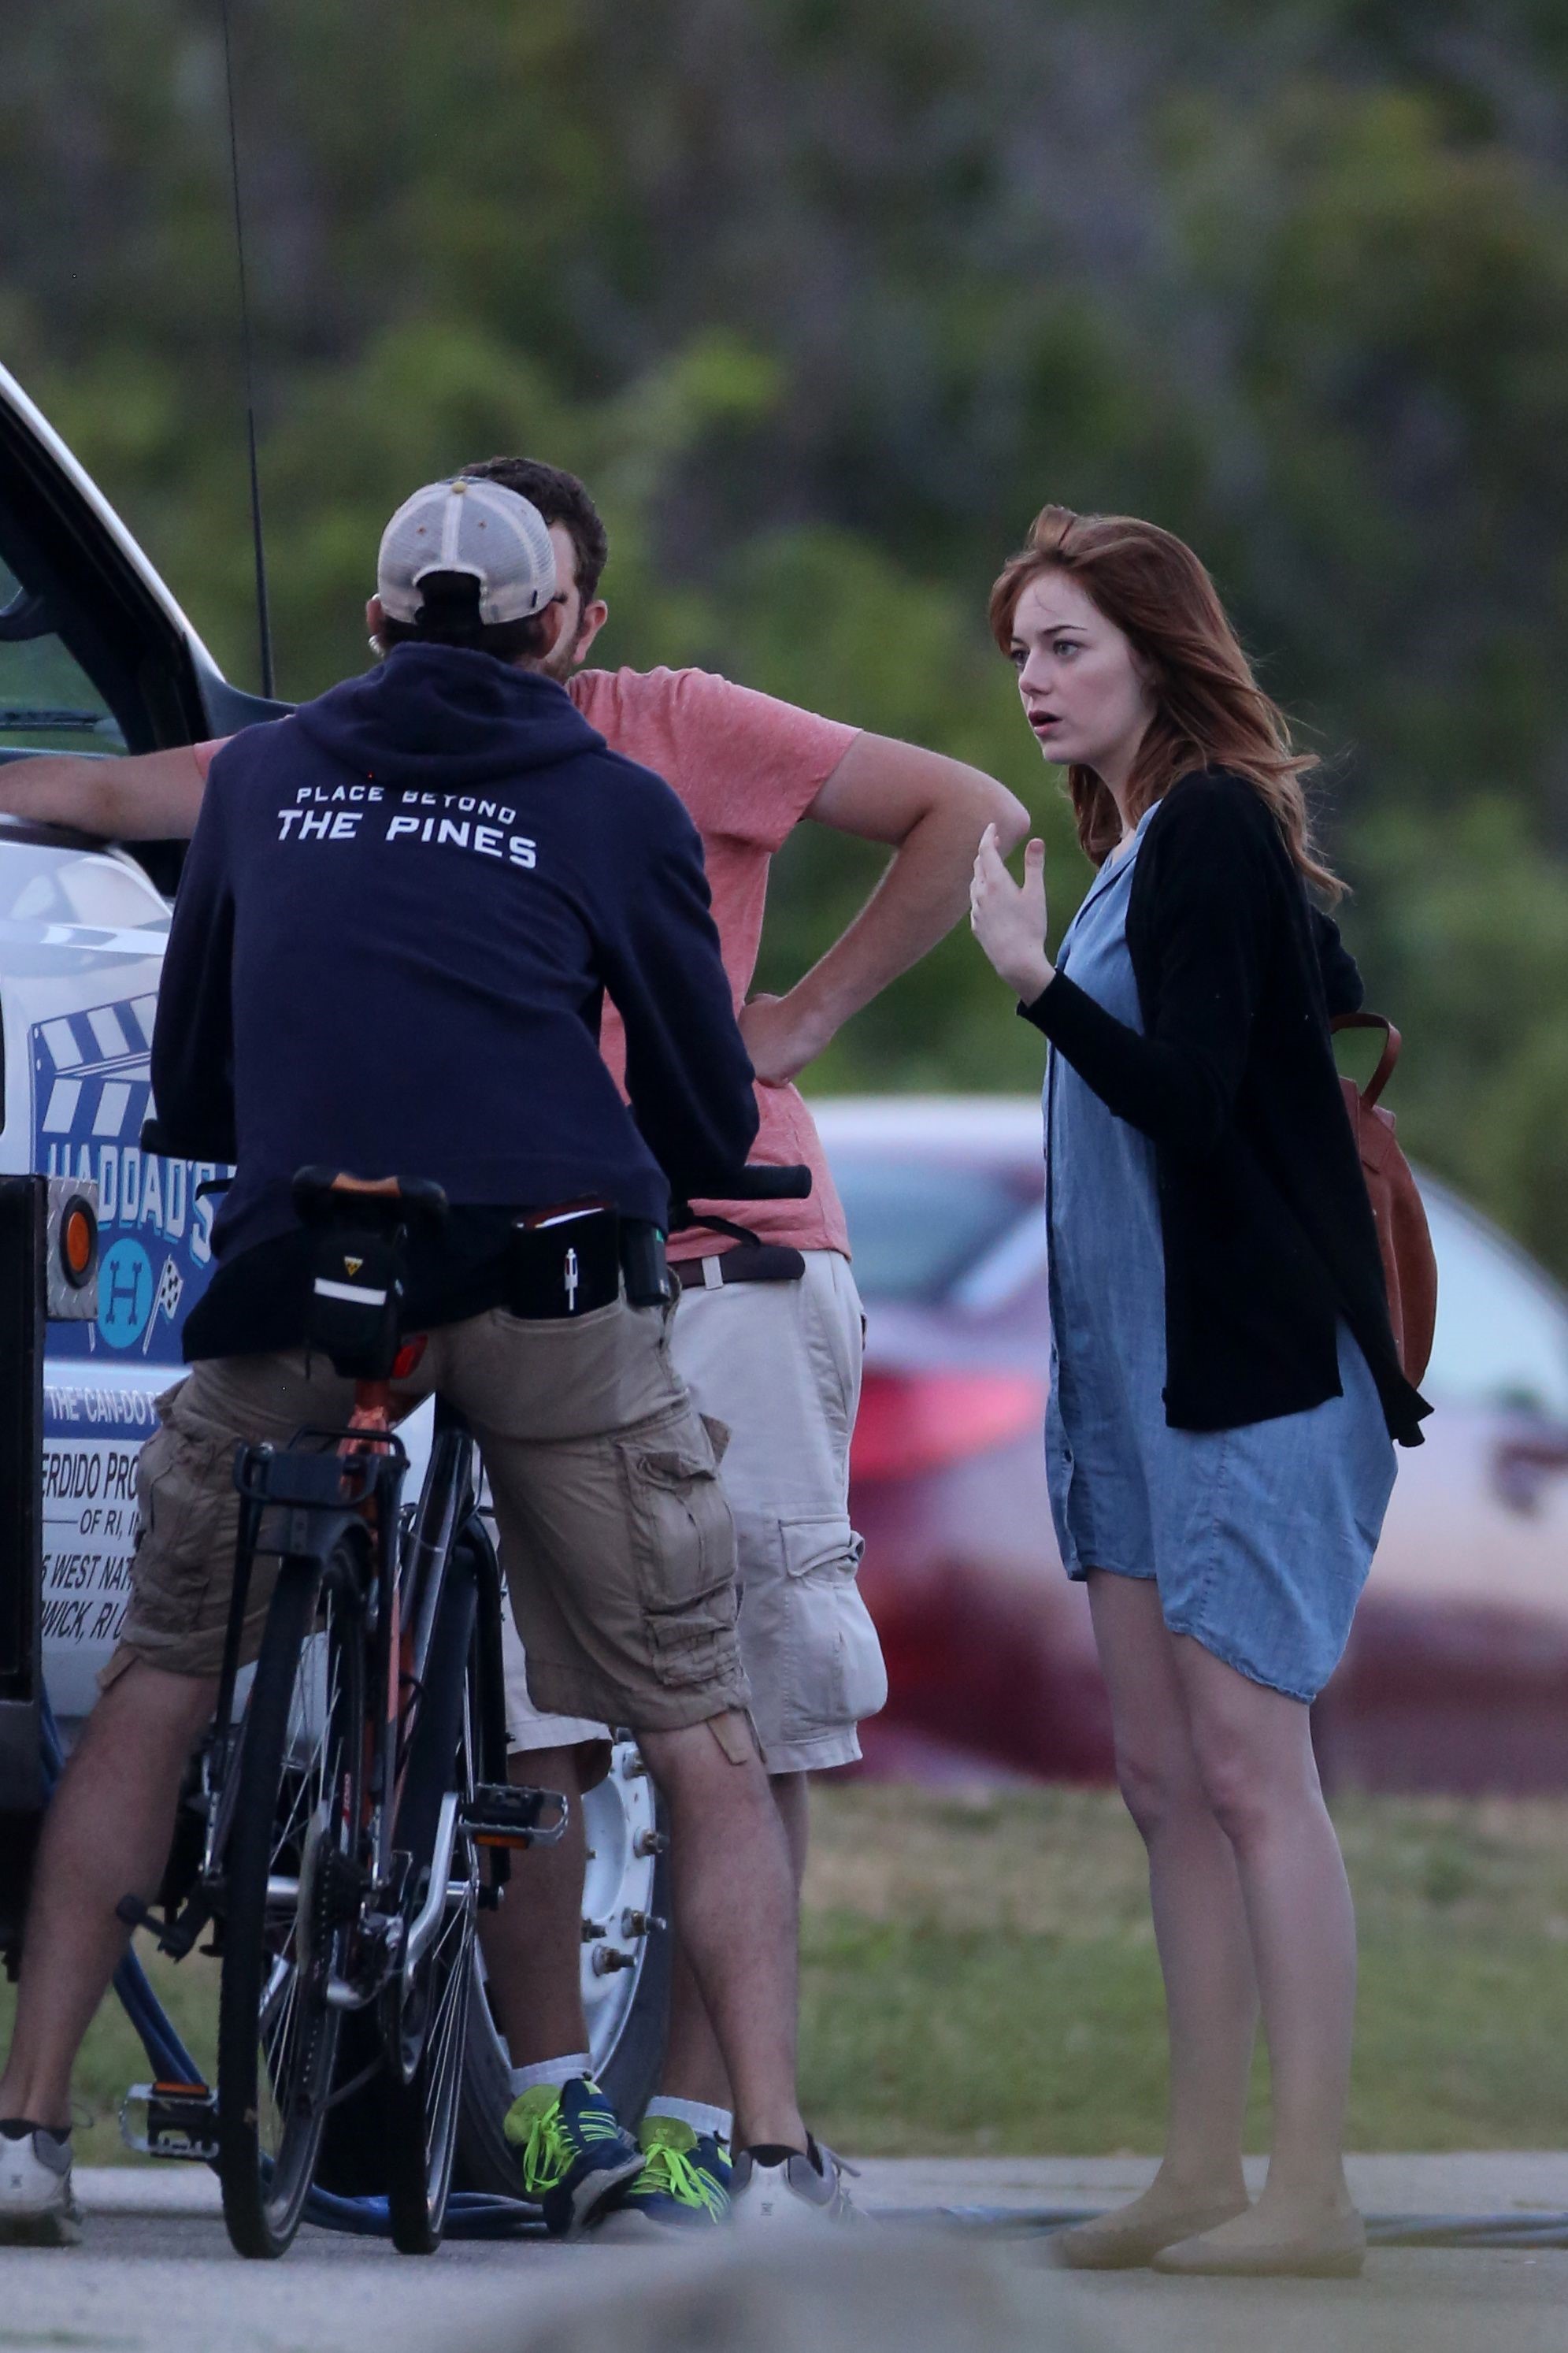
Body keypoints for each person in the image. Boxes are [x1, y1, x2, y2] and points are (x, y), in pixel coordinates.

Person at [0, 458, 1028, 2235]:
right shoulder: (612, 788)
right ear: (562, 626)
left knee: (162, 1684)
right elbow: (706, 1109)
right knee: (696, 1720)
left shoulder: (262, 778)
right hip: (553, 1291)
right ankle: (766, 2156)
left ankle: (24, 2137)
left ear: (378, 616)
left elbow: (190, 1077)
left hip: (311, 1279)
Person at [968, 506, 1429, 2281]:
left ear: (1160, 649)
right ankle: (1198, 2170)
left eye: (1068, 645)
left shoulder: (1218, 823)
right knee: (1163, 1778)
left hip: (1243, 1376)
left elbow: (1200, 1098)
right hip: (1132, 1391)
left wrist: (1031, 989)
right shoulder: (1137, 845)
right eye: (1020, 652)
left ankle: (1311, 2189)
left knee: (1252, 1770)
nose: (1035, 679)